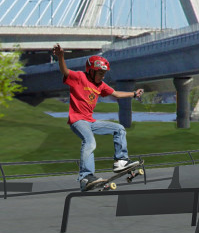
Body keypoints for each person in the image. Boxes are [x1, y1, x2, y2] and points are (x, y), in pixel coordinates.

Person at [51, 44, 143, 191]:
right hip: (78, 120)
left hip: (91, 121)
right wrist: (61, 56)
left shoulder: (100, 85)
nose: (103, 76)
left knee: (119, 129)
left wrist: (133, 94)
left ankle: (120, 162)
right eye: (100, 73)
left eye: (104, 73)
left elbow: (117, 94)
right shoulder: (79, 77)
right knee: (90, 142)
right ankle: (86, 177)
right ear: (91, 71)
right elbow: (65, 71)